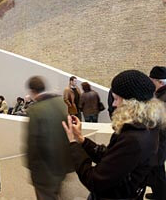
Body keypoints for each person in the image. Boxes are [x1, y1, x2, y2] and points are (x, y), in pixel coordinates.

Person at [62, 70, 164, 199]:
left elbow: (94, 181)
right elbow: (113, 159)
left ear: (131, 102)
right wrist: (81, 140)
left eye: (116, 99)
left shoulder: (133, 138)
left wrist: (73, 143)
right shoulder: (148, 126)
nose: (113, 104)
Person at [25, 76, 74, 200]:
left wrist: (32, 169)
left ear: (32, 91)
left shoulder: (35, 110)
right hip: (62, 166)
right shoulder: (60, 103)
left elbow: (33, 144)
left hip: (44, 173)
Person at [146, 66, 166, 200]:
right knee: (157, 170)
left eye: (151, 80)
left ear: (159, 82)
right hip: (159, 140)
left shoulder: (163, 98)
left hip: (160, 141)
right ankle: (159, 193)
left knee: (157, 170)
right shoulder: (160, 95)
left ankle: (161, 196)